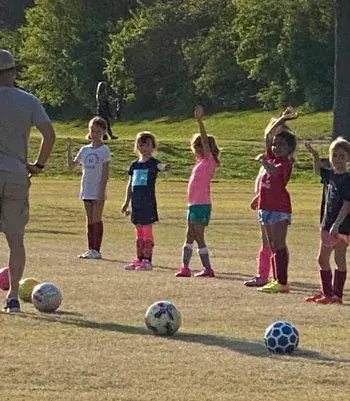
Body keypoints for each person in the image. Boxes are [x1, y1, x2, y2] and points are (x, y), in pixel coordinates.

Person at [0, 49, 56, 313]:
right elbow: (49, 134)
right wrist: (39, 165)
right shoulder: (28, 100)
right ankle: (12, 297)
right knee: (16, 239)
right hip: (15, 173)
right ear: (12, 72)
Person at [254, 107, 298, 293]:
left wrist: (264, 161)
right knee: (272, 245)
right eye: (275, 144)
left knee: (279, 245)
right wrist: (282, 119)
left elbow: (272, 172)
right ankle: (276, 279)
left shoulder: (285, 163)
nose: (276, 147)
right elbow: (268, 134)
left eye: (281, 145)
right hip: (266, 207)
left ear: (289, 149)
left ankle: (282, 281)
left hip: (279, 209)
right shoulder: (273, 157)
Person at [175, 105, 220, 278]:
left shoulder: (209, 161)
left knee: (199, 237)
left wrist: (200, 122)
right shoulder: (199, 162)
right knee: (189, 235)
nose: (197, 150)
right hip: (193, 204)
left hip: (201, 204)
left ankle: (208, 268)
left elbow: (205, 144)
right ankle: (185, 267)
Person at [305, 138, 350, 304]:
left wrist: (336, 225)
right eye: (335, 155)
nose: (338, 159)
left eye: (342, 155)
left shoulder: (347, 179)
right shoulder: (330, 175)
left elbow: (347, 205)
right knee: (322, 259)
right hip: (327, 223)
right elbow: (318, 171)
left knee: (339, 259)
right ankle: (327, 293)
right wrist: (315, 155)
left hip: (341, 227)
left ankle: (337, 295)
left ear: (348, 158)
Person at [121, 131, 170, 271]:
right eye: (141, 144)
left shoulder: (153, 163)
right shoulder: (135, 165)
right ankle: (139, 258)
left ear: (153, 147)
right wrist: (126, 202)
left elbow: (161, 167)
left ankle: (147, 260)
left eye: (147, 145)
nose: (143, 148)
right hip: (136, 203)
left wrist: (165, 167)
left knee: (147, 230)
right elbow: (130, 184)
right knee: (139, 232)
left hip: (147, 203)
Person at [66, 116, 110, 259]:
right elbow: (72, 166)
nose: (94, 134)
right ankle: (90, 248)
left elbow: (105, 172)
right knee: (89, 219)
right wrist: (69, 149)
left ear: (104, 132)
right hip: (86, 188)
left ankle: (97, 249)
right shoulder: (85, 149)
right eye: (92, 130)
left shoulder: (104, 150)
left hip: (98, 189)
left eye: (98, 131)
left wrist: (101, 191)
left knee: (96, 218)